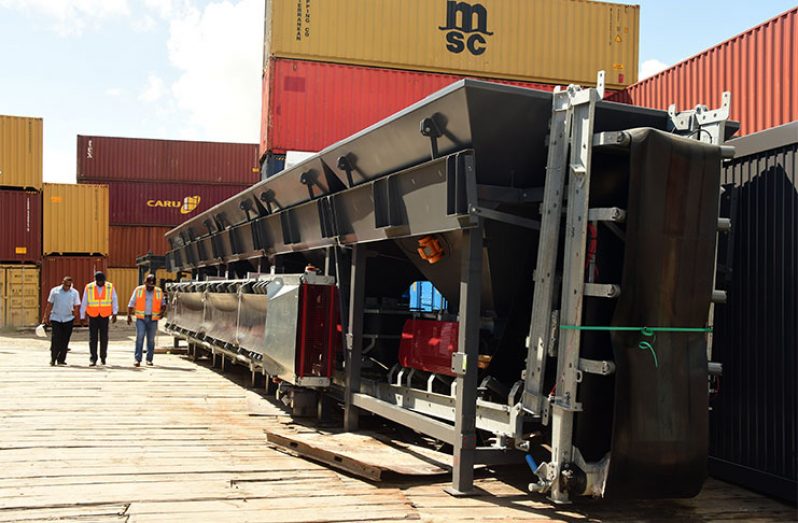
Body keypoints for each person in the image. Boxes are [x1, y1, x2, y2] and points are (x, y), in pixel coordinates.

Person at [127, 273, 166, 367]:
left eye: (152, 285)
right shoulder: (138, 290)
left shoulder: (158, 291)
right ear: (145, 282)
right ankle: (137, 359)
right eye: (149, 285)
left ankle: (149, 359)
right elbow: (131, 303)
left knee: (151, 340)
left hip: (153, 319)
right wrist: (128, 316)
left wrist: (162, 312)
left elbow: (163, 304)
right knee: (139, 338)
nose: (150, 287)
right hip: (141, 318)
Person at [80, 271, 118, 366]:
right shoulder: (89, 287)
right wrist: (82, 315)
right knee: (93, 338)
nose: (101, 283)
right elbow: (84, 301)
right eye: (100, 281)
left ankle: (103, 357)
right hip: (93, 315)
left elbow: (114, 299)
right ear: (96, 280)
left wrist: (115, 313)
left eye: (103, 281)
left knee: (104, 338)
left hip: (104, 316)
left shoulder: (110, 286)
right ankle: (93, 358)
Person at [41, 276, 81, 366]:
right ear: (62, 282)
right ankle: (53, 359)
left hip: (68, 319)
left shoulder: (74, 293)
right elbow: (49, 304)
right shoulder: (55, 291)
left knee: (65, 340)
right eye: (66, 284)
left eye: (69, 285)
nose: (67, 287)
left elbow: (77, 305)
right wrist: (45, 317)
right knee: (56, 339)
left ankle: (61, 360)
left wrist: (76, 314)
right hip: (56, 318)